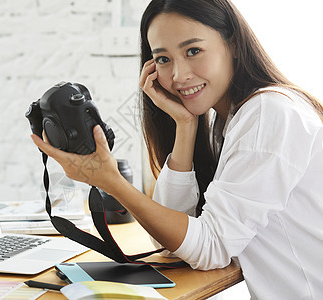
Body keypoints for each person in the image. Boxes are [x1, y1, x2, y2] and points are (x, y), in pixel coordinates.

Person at [31, 0, 323, 298]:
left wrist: (111, 182)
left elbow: (211, 247)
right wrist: (185, 126)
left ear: (232, 44)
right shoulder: (229, 121)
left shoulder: (268, 114)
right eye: (163, 59)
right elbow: (174, 244)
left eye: (193, 51)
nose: (178, 75)